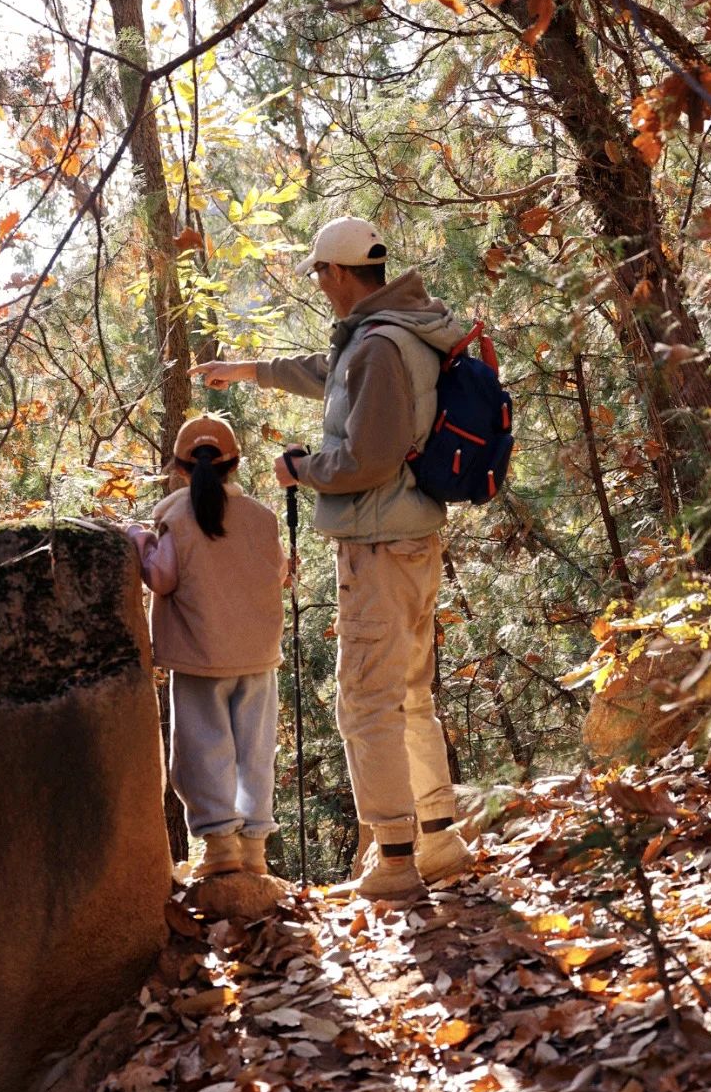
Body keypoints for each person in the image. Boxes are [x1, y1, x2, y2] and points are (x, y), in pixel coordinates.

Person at [193, 216, 476, 902]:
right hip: (411, 537)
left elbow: (367, 459)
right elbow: (330, 374)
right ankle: (439, 841)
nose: (319, 284)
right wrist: (247, 371)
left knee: (366, 701)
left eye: (319, 272)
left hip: (378, 545)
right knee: (409, 692)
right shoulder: (399, 330)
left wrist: (301, 470)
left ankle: (396, 859)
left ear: (338, 272)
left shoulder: (378, 346)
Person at [127, 414, 288, 879]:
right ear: (234, 464)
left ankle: (220, 850)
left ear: (179, 468)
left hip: (199, 656)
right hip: (257, 655)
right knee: (255, 753)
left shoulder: (175, 517)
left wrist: (138, 539)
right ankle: (254, 851)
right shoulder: (261, 516)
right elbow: (278, 572)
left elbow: (161, 578)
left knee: (203, 750)